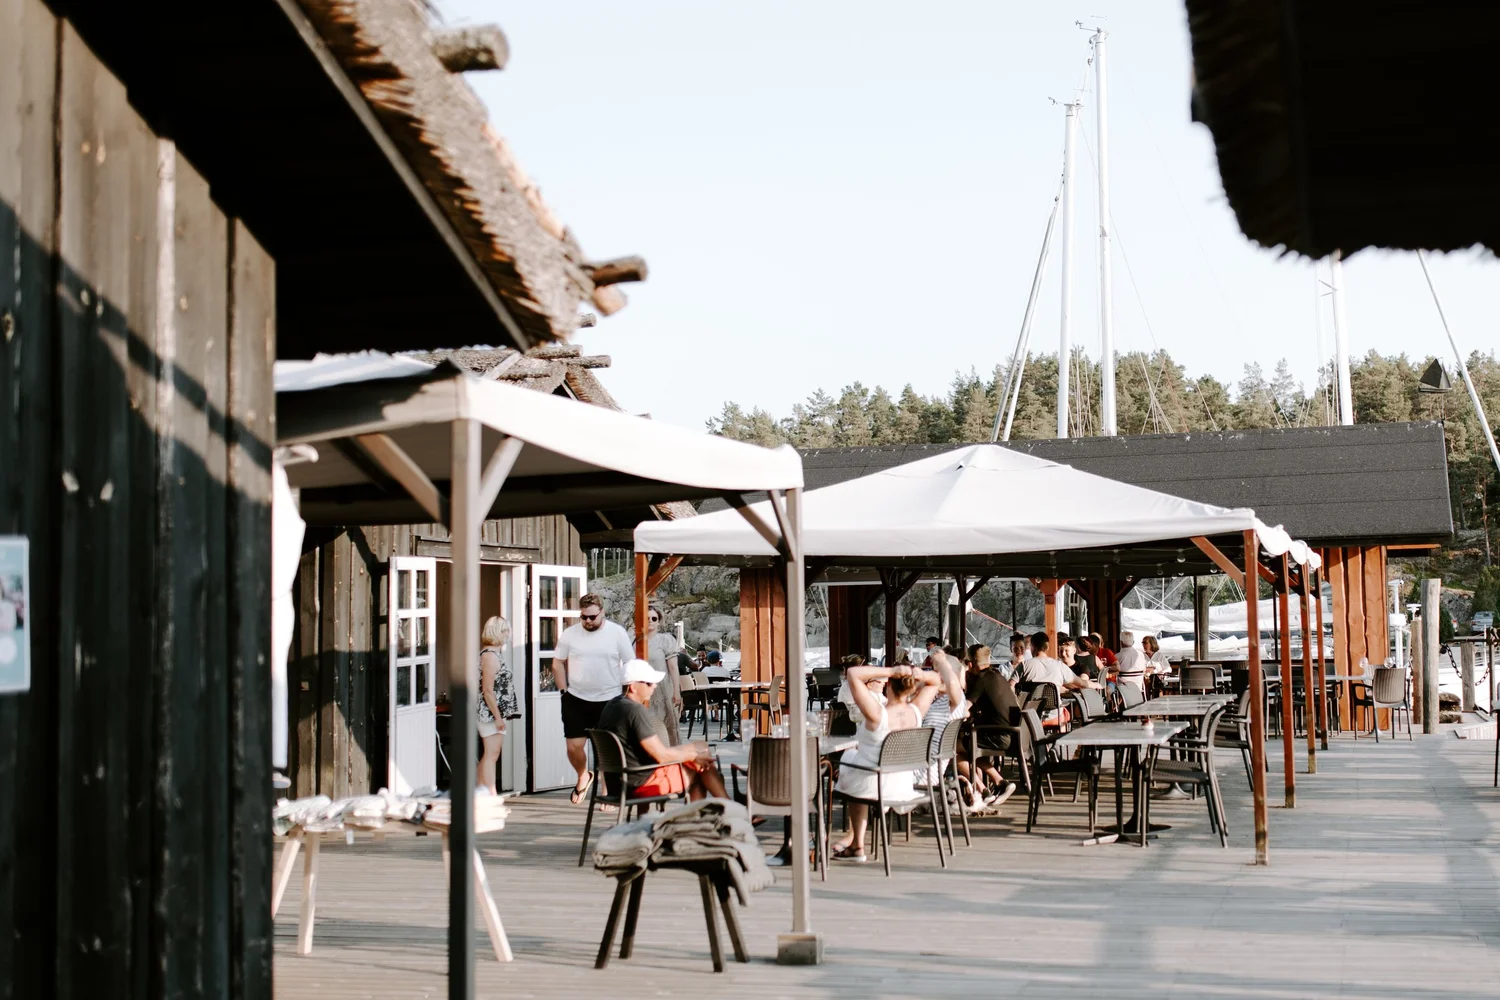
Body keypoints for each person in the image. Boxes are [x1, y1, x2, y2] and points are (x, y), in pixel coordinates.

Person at [829, 663, 944, 863]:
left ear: (888, 686)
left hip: (872, 783)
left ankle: (856, 843)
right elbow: (935, 680)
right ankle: (855, 843)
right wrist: (918, 673)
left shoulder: (877, 714)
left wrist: (890, 671)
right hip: (901, 785)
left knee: (848, 762)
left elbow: (853, 673)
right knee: (858, 767)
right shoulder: (916, 712)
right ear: (911, 687)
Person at [597, 659, 726, 801]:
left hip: (617, 782)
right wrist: (694, 754)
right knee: (703, 768)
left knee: (700, 753)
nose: (655, 686)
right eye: (649, 683)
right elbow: (661, 756)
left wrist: (694, 754)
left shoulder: (612, 706)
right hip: (638, 783)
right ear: (633, 686)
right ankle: (731, 811)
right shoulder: (634, 710)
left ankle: (708, 816)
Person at [554, 593, 634, 805]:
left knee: (606, 748)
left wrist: (627, 694)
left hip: (609, 697)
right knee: (573, 747)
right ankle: (583, 775)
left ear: (602, 612)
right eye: (583, 617)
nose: (588, 622)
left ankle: (607, 792)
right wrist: (564, 692)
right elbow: (557, 663)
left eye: (592, 617)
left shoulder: (617, 632)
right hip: (576, 698)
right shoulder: (570, 634)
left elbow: (630, 664)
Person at [960, 644, 1021, 810]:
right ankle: (991, 786)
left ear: (971, 663)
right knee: (969, 742)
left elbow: (964, 709)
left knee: (955, 748)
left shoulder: (981, 679)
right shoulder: (997, 675)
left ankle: (989, 787)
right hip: (1014, 735)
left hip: (1000, 737)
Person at [477, 616, 521, 795]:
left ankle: (480, 793)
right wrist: (497, 717)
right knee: (491, 754)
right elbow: (487, 690)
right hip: (489, 714)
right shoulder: (489, 656)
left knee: (489, 755)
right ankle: (490, 795)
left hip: (494, 712)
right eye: (505, 631)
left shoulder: (493, 654)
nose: (508, 635)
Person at [633, 605, 683, 746]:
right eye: (647, 618)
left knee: (666, 727)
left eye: (654, 618)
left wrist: (677, 692)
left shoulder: (665, 640)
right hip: (641, 690)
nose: (650, 621)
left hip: (662, 689)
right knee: (644, 727)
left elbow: (673, 667)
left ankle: (671, 760)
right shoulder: (634, 640)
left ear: (659, 621)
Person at [1020, 632, 1095, 698]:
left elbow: (1082, 683)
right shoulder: (1056, 666)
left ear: (1074, 651)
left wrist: (1059, 685)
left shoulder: (1081, 667)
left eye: (1066, 651)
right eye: (1060, 651)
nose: (1063, 654)